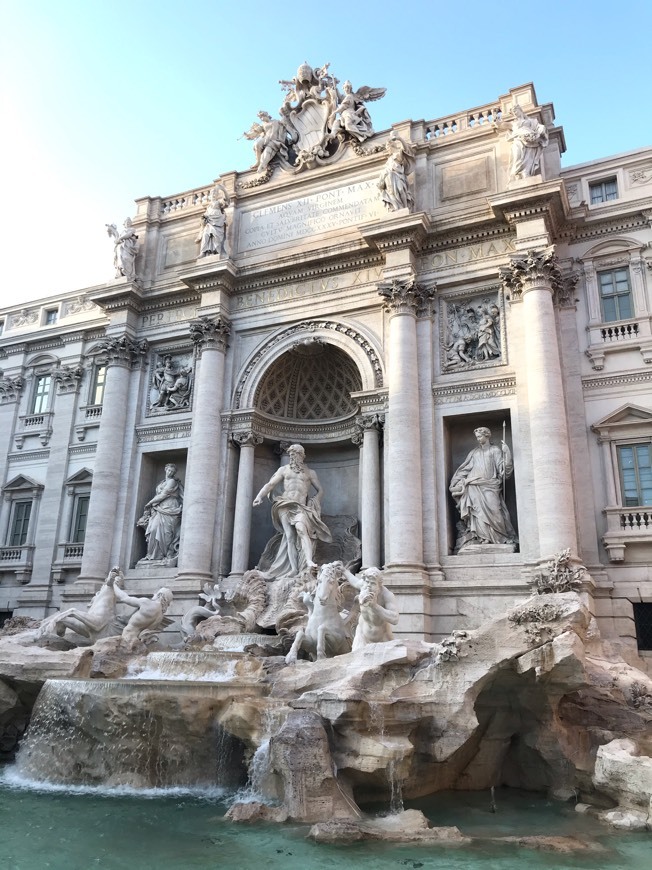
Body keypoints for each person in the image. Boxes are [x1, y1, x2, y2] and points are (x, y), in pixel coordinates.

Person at [253, 444, 332, 579]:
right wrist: (259, 496)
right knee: (289, 537)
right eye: (290, 455)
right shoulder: (284, 470)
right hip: (284, 504)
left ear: (301, 455)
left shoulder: (310, 473)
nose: (292, 457)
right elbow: (270, 484)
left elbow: (320, 490)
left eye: (294, 454)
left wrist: (315, 500)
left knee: (301, 529)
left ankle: (308, 561)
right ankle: (294, 569)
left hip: (300, 507)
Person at [449, 427, 517, 550]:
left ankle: (498, 537)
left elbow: (503, 471)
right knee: (477, 512)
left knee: (495, 511)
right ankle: (482, 538)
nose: (478, 439)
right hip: (474, 486)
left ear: (487, 436)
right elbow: (465, 469)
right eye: (477, 437)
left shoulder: (495, 450)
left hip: (491, 485)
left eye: (480, 436)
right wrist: (456, 482)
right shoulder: (474, 453)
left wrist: (507, 454)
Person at [137, 463, 183, 566]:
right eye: (169, 470)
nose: (170, 472)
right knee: (153, 529)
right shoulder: (161, 482)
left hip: (170, 508)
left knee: (166, 533)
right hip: (159, 509)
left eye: (173, 471)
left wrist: (149, 503)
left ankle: (163, 555)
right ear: (165, 470)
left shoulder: (172, 482)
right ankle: (151, 555)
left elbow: (163, 494)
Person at [114, 581, 173, 646]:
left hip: (126, 639)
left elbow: (124, 598)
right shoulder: (160, 617)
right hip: (138, 644)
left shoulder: (147, 603)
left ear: (160, 595)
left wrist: (114, 585)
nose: (154, 594)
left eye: (156, 593)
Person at [507, 104, 548, 179]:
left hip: (530, 140)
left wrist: (541, 130)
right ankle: (517, 173)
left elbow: (539, 127)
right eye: (513, 112)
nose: (515, 113)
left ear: (520, 110)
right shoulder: (513, 123)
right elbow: (502, 125)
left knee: (528, 156)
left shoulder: (530, 121)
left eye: (515, 110)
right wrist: (496, 121)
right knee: (517, 155)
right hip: (518, 140)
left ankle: (525, 172)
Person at [378, 134, 415, 212]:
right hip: (389, 178)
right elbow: (385, 171)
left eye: (388, 148)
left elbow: (406, 149)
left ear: (392, 146)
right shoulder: (389, 160)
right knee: (391, 192)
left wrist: (400, 139)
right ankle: (396, 207)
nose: (388, 150)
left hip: (399, 176)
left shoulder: (397, 154)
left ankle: (404, 207)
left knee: (401, 190)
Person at [197, 187, 228, 257]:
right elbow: (206, 214)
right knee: (205, 235)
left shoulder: (219, 202)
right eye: (212, 193)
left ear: (217, 195)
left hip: (218, 221)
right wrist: (203, 219)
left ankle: (216, 251)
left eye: (214, 193)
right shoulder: (208, 206)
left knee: (216, 236)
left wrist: (224, 190)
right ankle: (203, 252)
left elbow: (227, 202)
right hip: (209, 221)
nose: (213, 194)